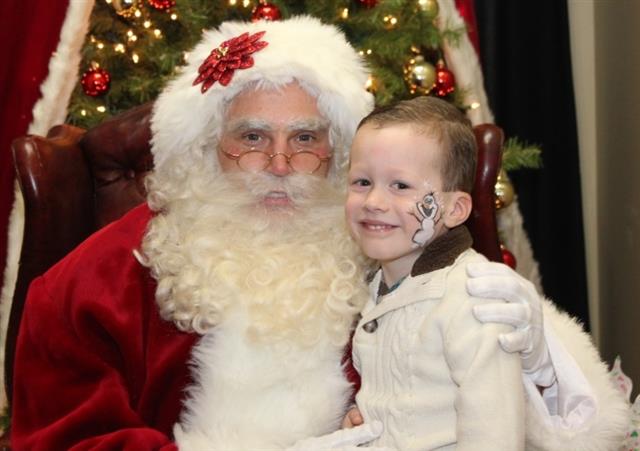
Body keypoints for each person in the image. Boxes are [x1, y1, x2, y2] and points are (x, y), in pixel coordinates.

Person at [10, 16, 627, 450]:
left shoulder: (387, 237)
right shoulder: (94, 281)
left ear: (337, 155)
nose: (279, 164)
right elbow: (64, 437)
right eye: (251, 138)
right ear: (206, 147)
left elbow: (554, 413)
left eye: (306, 139)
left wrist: (541, 356)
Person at [341, 95, 525, 450]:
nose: (374, 202)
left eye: (401, 186)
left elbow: (496, 435)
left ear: (455, 209)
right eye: (362, 182)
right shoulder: (376, 286)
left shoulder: (475, 301)